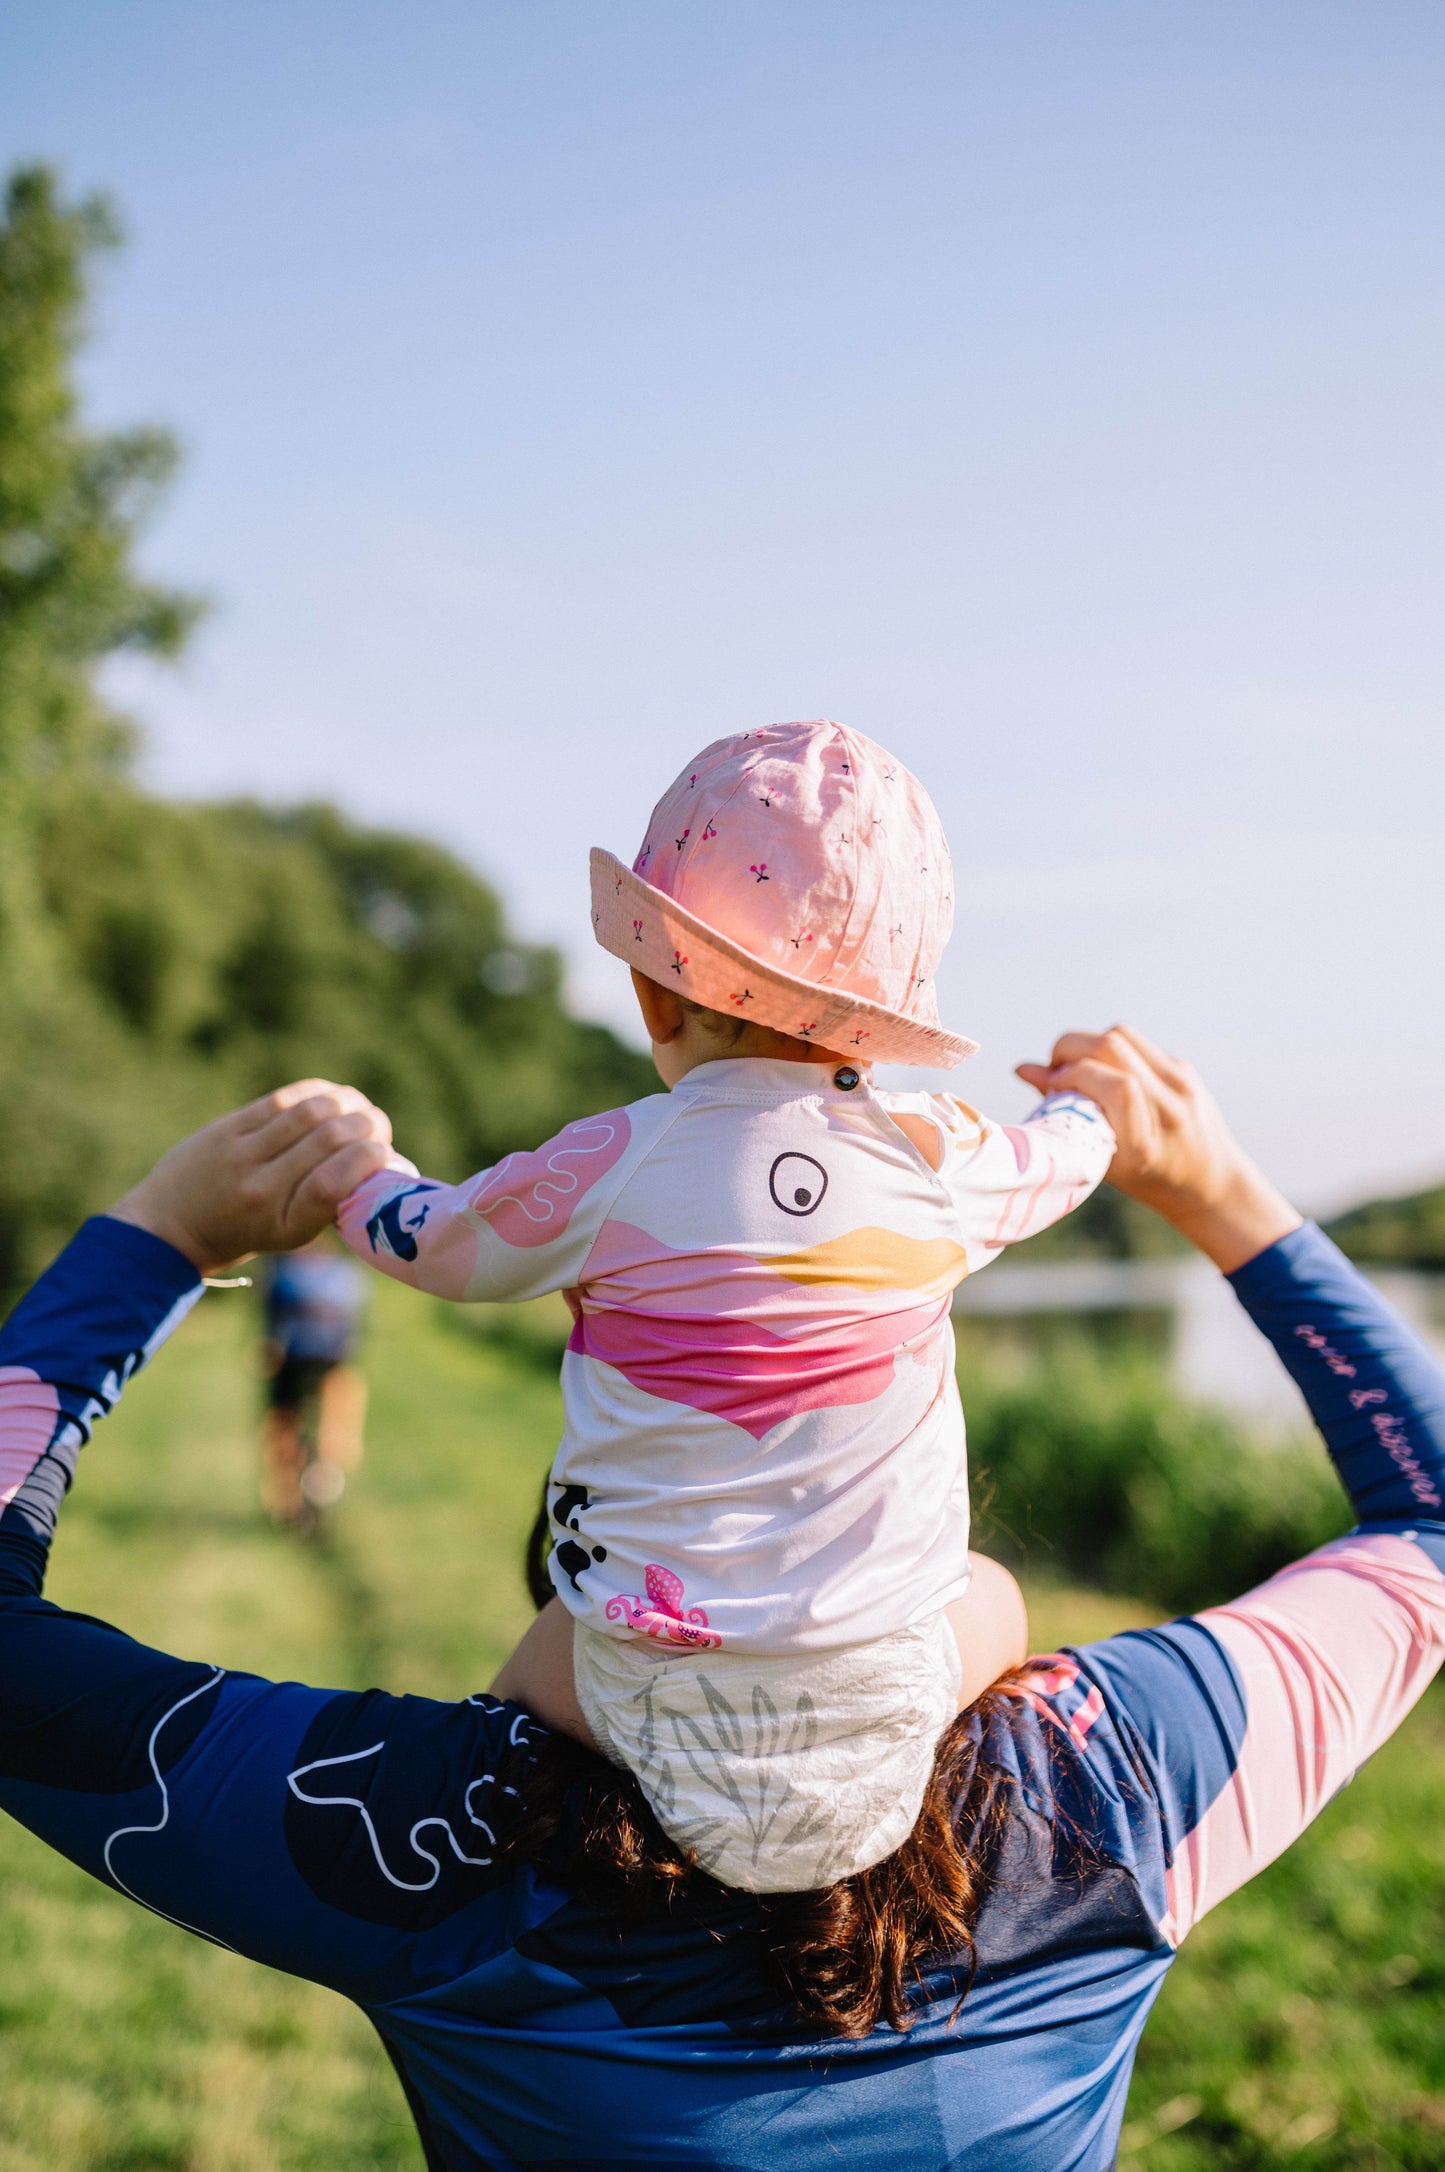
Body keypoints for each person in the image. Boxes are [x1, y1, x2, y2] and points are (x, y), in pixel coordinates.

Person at [0, 1036, 1442, 2170]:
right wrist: (1222, 1202)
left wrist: (160, 1234)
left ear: (571, 1553)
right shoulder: (1111, 1798)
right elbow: (1426, 1523)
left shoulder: (425, 1853)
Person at [336, 721, 1115, 1890]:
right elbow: (1064, 1159)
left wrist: (356, 1173)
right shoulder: (936, 1159)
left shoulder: (610, 1162)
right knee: (993, 1593)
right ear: (879, 1022)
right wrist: (1089, 1105)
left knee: (525, 1678)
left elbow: (436, 1242)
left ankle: (470, 1855)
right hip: (885, 1687)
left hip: (640, 1684)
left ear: (655, 995)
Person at [258, 1232, 369, 1527]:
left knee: (286, 1423)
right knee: (315, 1423)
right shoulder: (346, 1272)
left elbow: (271, 1319)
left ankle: (292, 1491)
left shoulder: (283, 1271)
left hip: (300, 1360)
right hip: (330, 1359)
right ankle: (320, 1475)